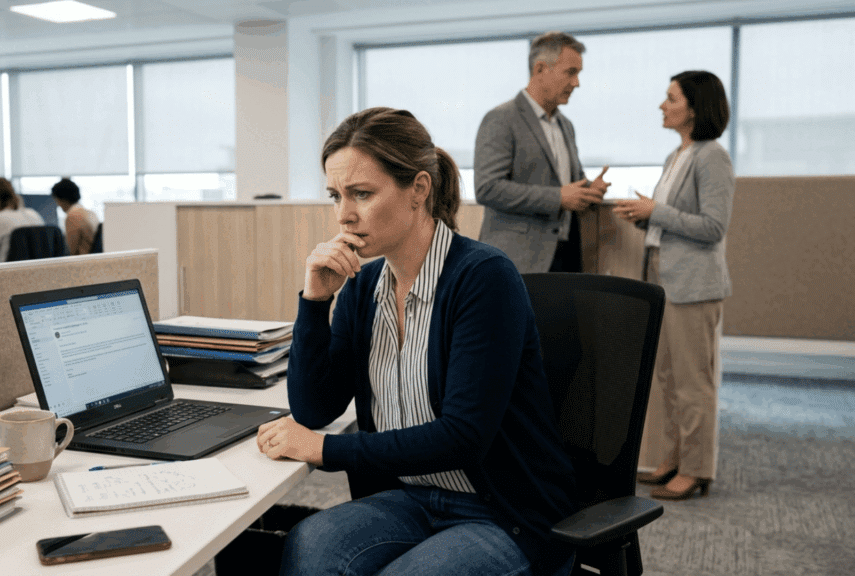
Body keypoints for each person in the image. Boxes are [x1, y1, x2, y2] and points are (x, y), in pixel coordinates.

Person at [256, 107, 577, 576]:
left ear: (419, 190)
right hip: (410, 497)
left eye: (362, 194)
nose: (344, 215)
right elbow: (314, 408)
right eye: (335, 196)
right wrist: (314, 301)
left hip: (504, 514)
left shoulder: (483, 278)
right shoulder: (364, 289)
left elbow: (462, 438)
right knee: (310, 547)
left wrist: (324, 449)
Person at [612, 70, 734, 501]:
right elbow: (672, 217)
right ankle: (673, 458)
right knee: (666, 378)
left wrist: (656, 212)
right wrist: (644, 213)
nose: (662, 106)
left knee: (692, 382)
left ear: (695, 107)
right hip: (663, 277)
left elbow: (714, 227)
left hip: (694, 285)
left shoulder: (711, 156)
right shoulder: (675, 156)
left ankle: (697, 469)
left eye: (670, 98)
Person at [474, 31, 609, 273]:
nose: (576, 83)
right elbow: (488, 188)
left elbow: (567, 185)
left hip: (566, 255)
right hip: (518, 259)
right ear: (540, 69)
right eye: (571, 72)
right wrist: (558, 197)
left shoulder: (565, 125)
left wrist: (588, 190)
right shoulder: (501, 119)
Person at [50, 178, 99, 255]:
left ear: (62, 199)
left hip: (82, 261)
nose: (58, 204)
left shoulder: (72, 216)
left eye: (57, 200)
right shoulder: (90, 213)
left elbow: (72, 251)